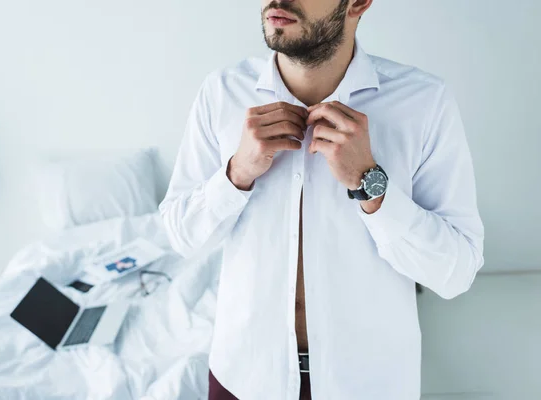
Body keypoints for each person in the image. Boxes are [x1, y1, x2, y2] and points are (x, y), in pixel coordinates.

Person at [159, 0, 485, 398]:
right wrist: (237, 173)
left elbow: (456, 272)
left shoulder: (424, 103)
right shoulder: (222, 92)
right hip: (242, 378)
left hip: (369, 386)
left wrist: (370, 183)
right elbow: (181, 237)